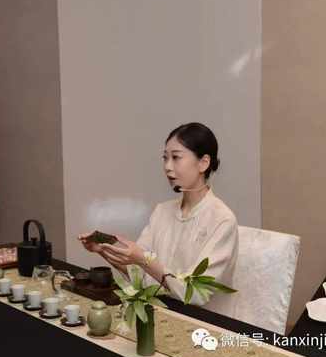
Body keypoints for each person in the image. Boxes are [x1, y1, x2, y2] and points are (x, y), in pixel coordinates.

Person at [79, 122, 238, 316]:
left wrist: (143, 258)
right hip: (162, 312)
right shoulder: (162, 211)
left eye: (176, 157)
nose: (167, 167)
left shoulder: (222, 219)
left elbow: (196, 293)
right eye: (165, 158)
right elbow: (140, 274)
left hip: (204, 322)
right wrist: (104, 250)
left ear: (203, 163)